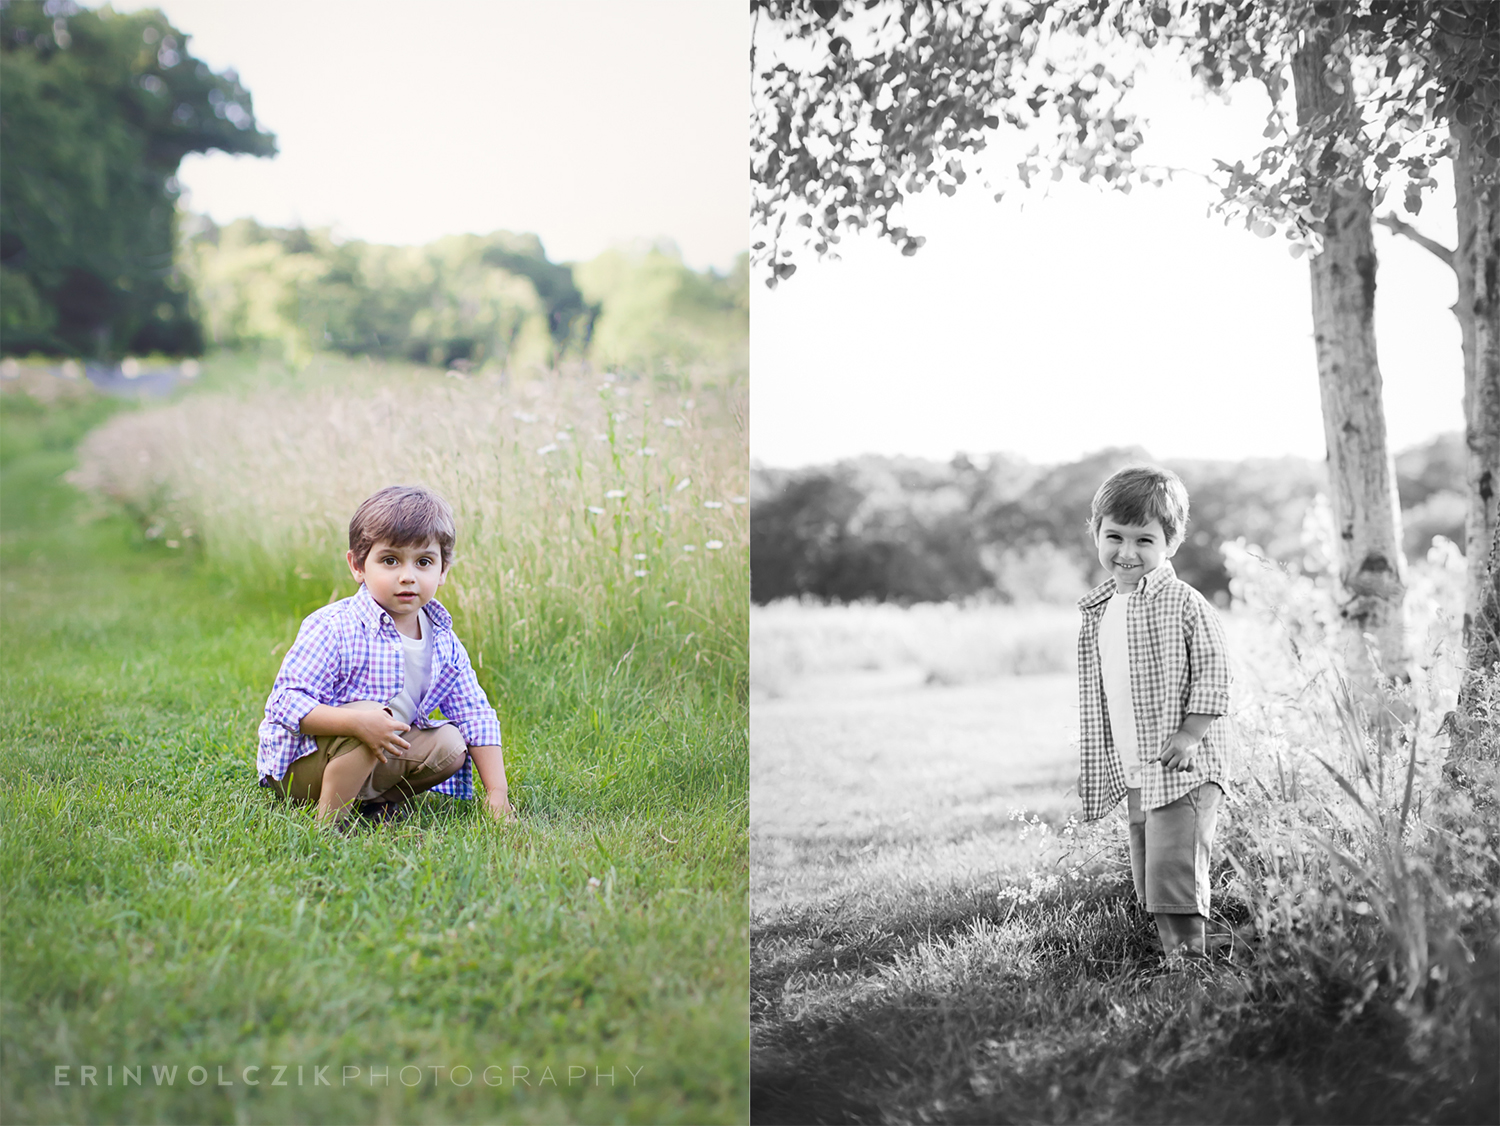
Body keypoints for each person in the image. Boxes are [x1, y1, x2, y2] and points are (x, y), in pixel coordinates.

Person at [256, 485, 514, 827]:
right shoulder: (334, 626)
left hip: (371, 752)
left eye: (423, 562)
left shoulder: (442, 639)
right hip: (303, 768)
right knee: (375, 717)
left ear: (443, 569)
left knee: (451, 744)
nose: (407, 576)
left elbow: (475, 714)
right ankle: (328, 823)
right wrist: (355, 722)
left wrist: (497, 793)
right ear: (358, 565)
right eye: (390, 560)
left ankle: (375, 803)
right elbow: (285, 703)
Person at [1076, 465, 1231, 959]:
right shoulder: (1102, 609)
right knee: (1151, 868)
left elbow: (1215, 671)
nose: (1126, 552)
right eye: (1114, 536)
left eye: (1144, 539)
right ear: (1096, 533)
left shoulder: (1184, 602)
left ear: (1172, 541)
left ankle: (1188, 967)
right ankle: (1184, 951)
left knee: (1174, 867)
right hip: (1139, 766)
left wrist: (1189, 734)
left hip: (1182, 765)